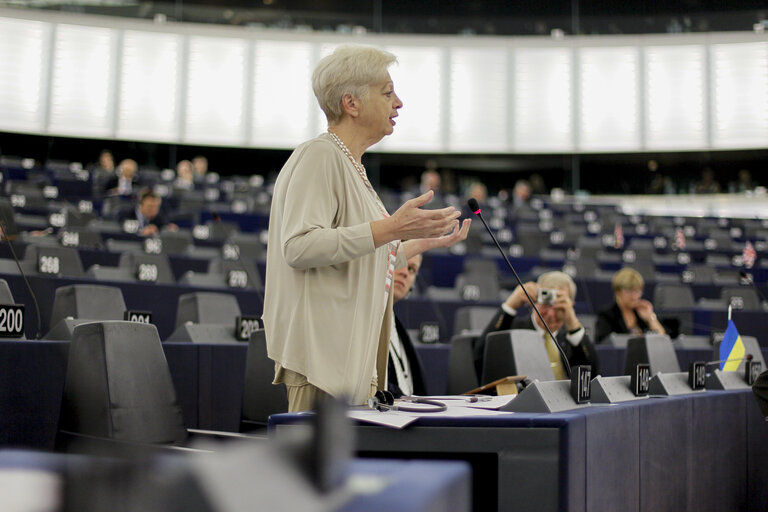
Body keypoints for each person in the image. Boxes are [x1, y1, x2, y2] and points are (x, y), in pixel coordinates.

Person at [262, 45, 471, 412]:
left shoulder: (353, 167)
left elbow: (364, 254)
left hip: (347, 366)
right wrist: (391, 227)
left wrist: (419, 242)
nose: (399, 103)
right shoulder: (320, 155)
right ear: (351, 104)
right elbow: (298, 247)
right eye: (387, 93)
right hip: (321, 364)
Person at [474, 270, 599, 380]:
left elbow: (592, 376)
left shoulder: (572, 338)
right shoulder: (515, 329)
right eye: (546, 304)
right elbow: (481, 359)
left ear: (571, 305)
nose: (550, 314)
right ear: (533, 300)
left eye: (558, 307)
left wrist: (572, 322)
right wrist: (511, 304)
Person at [388, 254, 427, 398]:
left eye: (411, 269)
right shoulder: (363, 321)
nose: (404, 272)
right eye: (400, 262)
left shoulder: (396, 326)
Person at [594, 267, 666, 343]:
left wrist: (650, 318)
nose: (634, 296)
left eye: (637, 291)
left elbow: (662, 340)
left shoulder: (641, 313)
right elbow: (603, 343)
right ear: (617, 292)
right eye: (629, 291)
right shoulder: (607, 314)